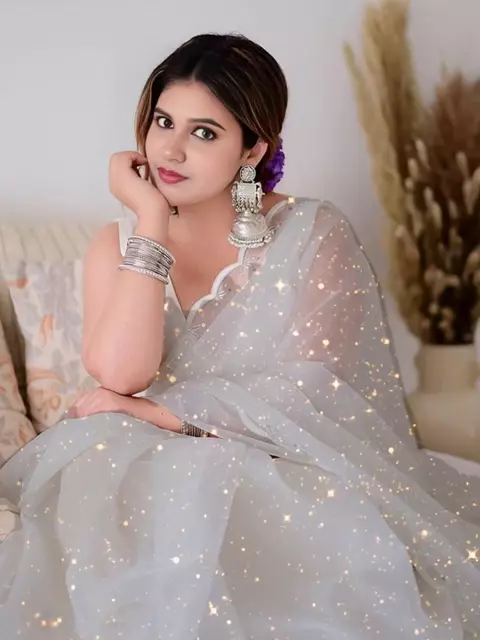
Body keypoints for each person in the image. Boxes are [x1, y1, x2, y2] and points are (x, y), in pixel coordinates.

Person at [0, 33, 479, 640]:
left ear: (253, 149)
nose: (170, 149)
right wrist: (151, 221)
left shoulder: (311, 233)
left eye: (204, 133)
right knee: (108, 488)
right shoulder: (117, 242)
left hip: (286, 465)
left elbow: (317, 394)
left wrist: (162, 414)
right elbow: (119, 375)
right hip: (143, 469)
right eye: (163, 122)